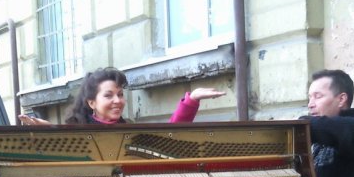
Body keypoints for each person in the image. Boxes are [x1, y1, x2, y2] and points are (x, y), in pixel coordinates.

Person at [18, 66, 225, 125]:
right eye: (108, 96)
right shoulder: (76, 135)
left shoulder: (128, 132)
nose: (118, 101)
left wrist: (192, 99)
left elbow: (170, 134)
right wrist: (51, 133)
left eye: (120, 94)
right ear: (92, 102)